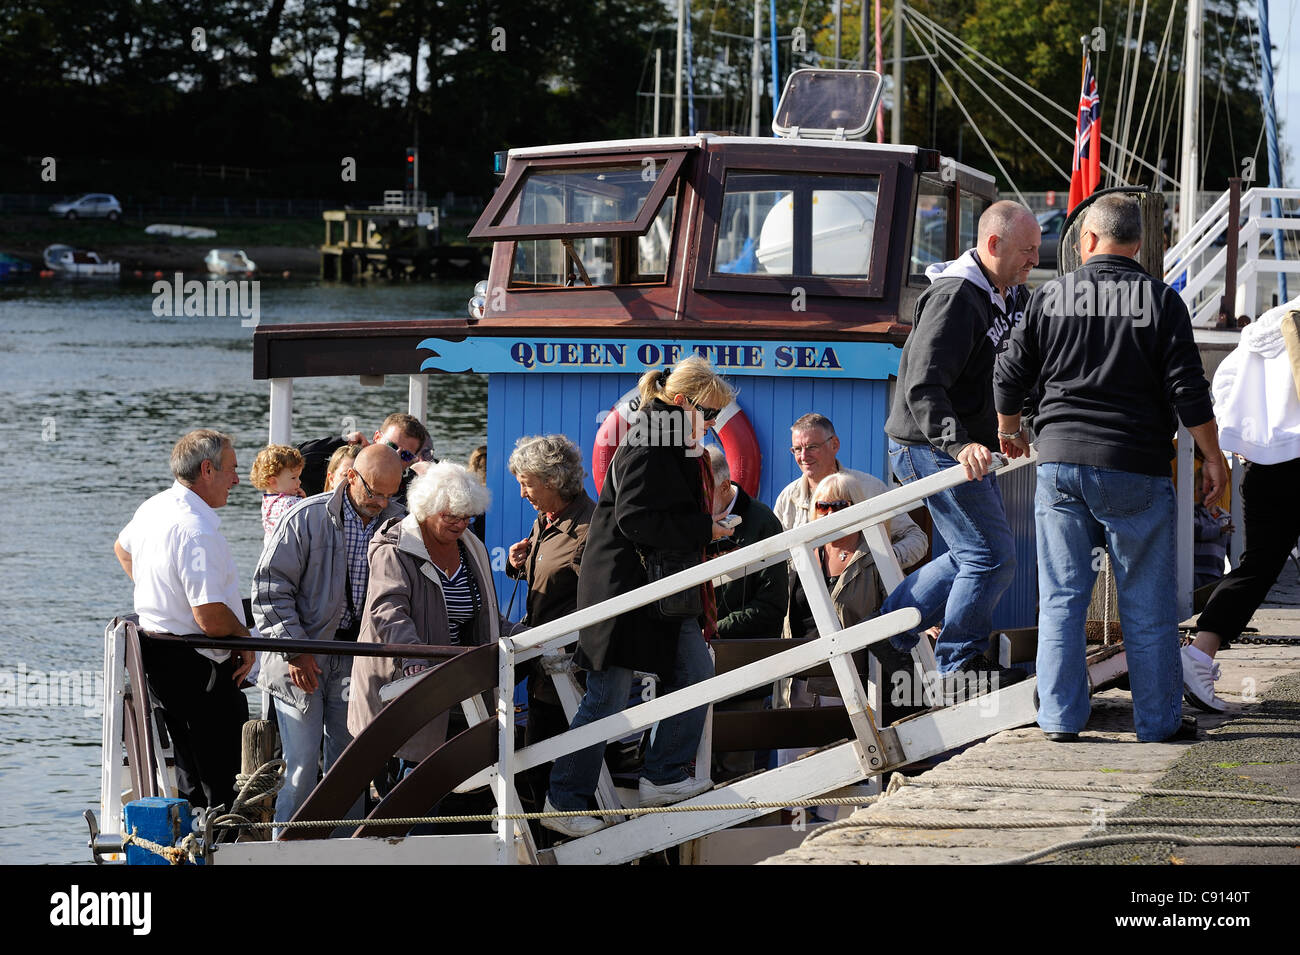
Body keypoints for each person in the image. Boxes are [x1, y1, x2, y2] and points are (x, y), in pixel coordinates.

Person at [994, 193, 1227, 742]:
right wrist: (1212, 457)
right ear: (1138, 246)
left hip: (1059, 466)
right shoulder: (1162, 301)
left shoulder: (1049, 298)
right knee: (1146, 603)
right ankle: (1158, 722)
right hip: (1135, 466)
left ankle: (1059, 719)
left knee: (1061, 598)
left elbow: (1007, 377)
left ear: (1088, 241)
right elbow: (1189, 392)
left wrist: (1009, 431)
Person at [544, 356, 736, 837]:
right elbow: (634, 518)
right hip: (625, 590)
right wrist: (702, 528)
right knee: (607, 695)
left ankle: (662, 775)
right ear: (680, 402)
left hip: (651, 589)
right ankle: (564, 800)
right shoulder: (654, 438)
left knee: (693, 674)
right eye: (708, 414)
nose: (712, 425)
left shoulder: (666, 436)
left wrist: (702, 530)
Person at [879, 200, 1039, 694]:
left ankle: (887, 634)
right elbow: (923, 387)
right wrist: (962, 443)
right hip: (925, 443)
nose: (1035, 261)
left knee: (977, 554)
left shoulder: (1004, 293)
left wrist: (1023, 423)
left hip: (948, 443)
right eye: (1028, 252)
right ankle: (955, 668)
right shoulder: (956, 298)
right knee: (990, 556)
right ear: (993, 245)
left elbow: (1012, 376)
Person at [252, 444, 406, 831]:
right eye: (374, 492)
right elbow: (270, 589)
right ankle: (284, 852)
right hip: (302, 656)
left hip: (357, 659)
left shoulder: (399, 522)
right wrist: (297, 651)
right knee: (302, 766)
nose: (381, 502)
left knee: (348, 765)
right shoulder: (304, 517)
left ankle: (342, 852)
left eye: (390, 494)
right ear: (351, 476)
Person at [114, 429, 255, 808]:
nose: (238, 480)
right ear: (207, 470)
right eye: (232, 470)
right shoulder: (196, 530)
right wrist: (245, 640)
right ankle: (219, 849)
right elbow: (209, 616)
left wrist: (160, 593)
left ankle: (191, 846)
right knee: (222, 782)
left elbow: (122, 549)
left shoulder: (153, 507)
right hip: (198, 664)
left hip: (158, 656)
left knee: (190, 772)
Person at [349, 462, 520, 764]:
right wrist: (414, 656)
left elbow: (484, 612)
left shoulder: (471, 547)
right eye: (450, 516)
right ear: (428, 508)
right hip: (409, 688)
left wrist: (519, 634)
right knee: (410, 777)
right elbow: (388, 609)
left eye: (467, 517)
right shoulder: (394, 547)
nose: (460, 524)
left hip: (457, 686)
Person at [1182, 298, 1300, 711]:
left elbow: (1225, 383)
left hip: (1268, 465)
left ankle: (1199, 654)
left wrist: (1247, 441)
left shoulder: (1265, 325)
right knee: (1260, 564)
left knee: (1259, 566)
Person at [505, 435, 596, 748]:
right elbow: (552, 576)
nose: (522, 493)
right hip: (540, 665)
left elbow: (597, 603)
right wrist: (518, 563)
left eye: (527, 484)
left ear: (553, 480)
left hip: (567, 672)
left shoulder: (590, 530)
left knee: (549, 760)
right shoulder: (546, 518)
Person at [773, 414, 927, 571]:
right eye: (797, 449)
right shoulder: (787, 499)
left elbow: (916, 538)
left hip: (865, 595)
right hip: (806, 594)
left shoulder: (870, 488)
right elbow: (775, 556)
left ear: (835, 444)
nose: (804, 457)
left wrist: (879, 564)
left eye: (812, 447)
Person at [707, 446, 788, 638]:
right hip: (699, 643)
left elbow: (771, 603)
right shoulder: (689, 521)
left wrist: (714, 631)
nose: (694, 498)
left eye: (702, 491)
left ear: (725, 487)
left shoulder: (763, 522)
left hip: (748, 647)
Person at [297, 412, 431, 501]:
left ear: (413, 459)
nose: (395, 455)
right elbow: (298, 459)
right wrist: (342, 441)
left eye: (406, 455)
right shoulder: (344, 467)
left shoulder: (408, 492)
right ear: (376, 437)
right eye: (392, 446)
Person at [250, 444, 305, 542]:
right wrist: (304, 501)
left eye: (299, 477)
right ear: (273, 482)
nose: (299, 482)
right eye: (293, 478)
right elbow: (307, 522)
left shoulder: (267, 501)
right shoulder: (290, 502)